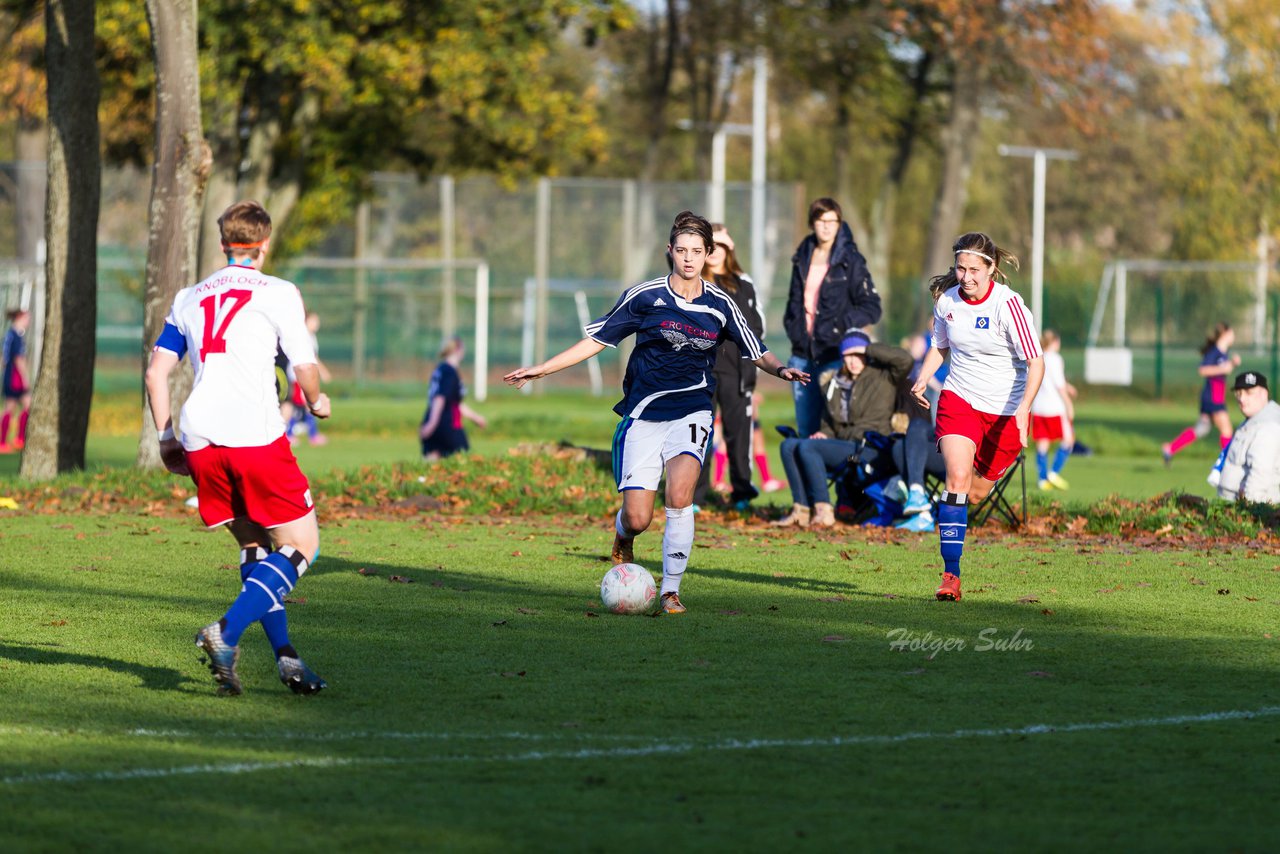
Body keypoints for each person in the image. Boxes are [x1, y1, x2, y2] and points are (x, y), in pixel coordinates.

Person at [504, 211, 808, 614]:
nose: (688, 258)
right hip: (644, 415)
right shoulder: (645, 296)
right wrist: (542, 368)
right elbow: (595, 341)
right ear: (670, 251)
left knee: (680, 497)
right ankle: (621, 533)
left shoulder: (721, 305)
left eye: (697, 251)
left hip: (694, 411)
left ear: (708, 254)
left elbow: (757, 350)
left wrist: (781, 369)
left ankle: (670, 591)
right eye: (681, 250)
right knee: (638, 518)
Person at [145, 199, 330, 696]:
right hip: (254, 437)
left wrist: (166, 439)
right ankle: (224, 632)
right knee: (303, 546)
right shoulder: (279, 291)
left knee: (256, 548)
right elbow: (304, 369)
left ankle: (289, 660)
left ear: (224, 244)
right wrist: (317, 401)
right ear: (263, 246)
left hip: (201, 437)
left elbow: (156, 372)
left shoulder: (189, 296)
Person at [911, 232, 1044, 602]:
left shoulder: (1009, 305)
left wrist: (1023, 408)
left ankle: (956, 524)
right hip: (960, 399)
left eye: (973, 269)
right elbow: (940, 347)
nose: (965, 276)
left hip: (1005, 412)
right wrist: (924, 378)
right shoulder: (947, 302)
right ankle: (950, 574)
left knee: (977, 491)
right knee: (956, 476)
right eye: (960, 268)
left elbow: (1036, 362)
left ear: (991, 269)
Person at [772, 332, 911, 528]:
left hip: (870, 449)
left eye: (857, 354)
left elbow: (905, 360)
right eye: (847, 355)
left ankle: (823, 512)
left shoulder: (883, 375)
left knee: (809, 448)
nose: (853, 361)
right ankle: (801, 511)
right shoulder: (833, 382)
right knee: (789, 445)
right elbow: (829, 423)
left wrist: (868, 348)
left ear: (866, 353)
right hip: (843, 447)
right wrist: (824, 433)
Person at [782, 197, 882, 438]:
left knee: (833, 430)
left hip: (834, 355)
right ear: (812, 223)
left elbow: (872, 307)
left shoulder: (851, 260)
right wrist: (795, 330)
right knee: (806, 430)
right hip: (802, 356)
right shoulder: (802, 256)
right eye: (820, 220)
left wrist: (841, 327)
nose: (826, 226)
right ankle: (810, 477)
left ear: (839, 223)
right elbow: (794, 302)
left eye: (832, 220)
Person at [692, 224, 764, 510]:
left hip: (736, 371)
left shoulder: (743, 284)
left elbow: (755, 328)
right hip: (701, 370)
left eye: (722, 246)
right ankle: (694, 496)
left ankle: (742, 493)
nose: (716, 253)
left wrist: (753, 366)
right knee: (699, 433)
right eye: (711, 246)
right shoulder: (694, 282)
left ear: (729, 249)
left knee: (738, 433)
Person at [1162, 321, 1239, 465]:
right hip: (1212, 397)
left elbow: (1223, 368)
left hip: (1214, 397)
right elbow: (1203, 370)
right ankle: (1227, 464)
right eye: (1232, 333)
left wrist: (1232, 364)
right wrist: (1224, 368)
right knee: (1226, 430)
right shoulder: (1214, 352)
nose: (1234, 336)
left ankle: (1170, 448)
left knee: (1201, 429)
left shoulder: (1223, 353)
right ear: (1225, 334)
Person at [1213, 371, 1280, 503]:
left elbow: (1260, 475)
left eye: (1249, 393)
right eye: (1239, 393)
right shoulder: (1253, 420)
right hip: (1234, 506)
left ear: (1264, 394)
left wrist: (1247, 513)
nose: (1242, 399)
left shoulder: (1268, 426)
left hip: (1251, 510)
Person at [420, 336, 487, 461]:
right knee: (463, 460)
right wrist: (432, 423)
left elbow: (454, 402)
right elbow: (440, 398)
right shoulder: (450, 372)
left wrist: (475, 417)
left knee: (431, 465)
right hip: (447, 423)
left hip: (433, 417)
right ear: (457, 350)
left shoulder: (440, 369)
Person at [1030, 329, 1077, 490]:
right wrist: (1069, 404)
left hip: (1038, 407)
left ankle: (1042, 479)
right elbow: (1059, 385)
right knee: (1069, 440)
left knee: (1042, 443)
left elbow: (1046, 379)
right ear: (1055, 342)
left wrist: (1067, 386)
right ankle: (1054, 472)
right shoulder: (1056, 359)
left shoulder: (1037, 356)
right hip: (1054, 407)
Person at [288, 311, 333, 445]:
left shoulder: (311, 336)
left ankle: (308, 434)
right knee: (305, 404)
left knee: (303, 405)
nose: (316, 324)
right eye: (313, 321)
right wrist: (323, 372)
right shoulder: (303, 337)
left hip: (304, 376)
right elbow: (309, 359)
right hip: (299, 377)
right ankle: (298, 434)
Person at [0, 309, 32, 453]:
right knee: (14, 408)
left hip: (9, 376)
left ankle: (17, 440)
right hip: (16, 378)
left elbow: (3, 358)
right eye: (27, 318)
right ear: (20, 318)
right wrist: (25, 378)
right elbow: (19, 359)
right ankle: (11, 441)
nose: (29, 321)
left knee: (24, 406)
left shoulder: (9, 335)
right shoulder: (16, 336)